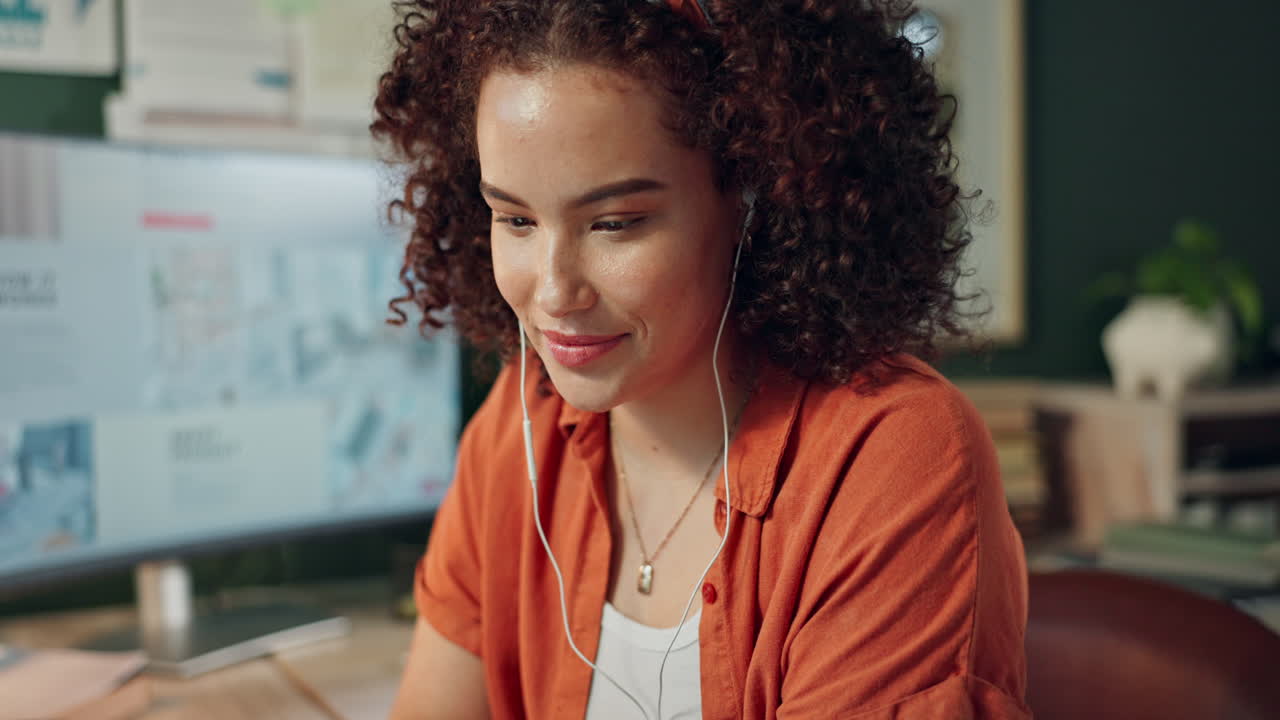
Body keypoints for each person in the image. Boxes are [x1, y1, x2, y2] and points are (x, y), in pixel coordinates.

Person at [374, 1, 1030, 717]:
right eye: (517, 219)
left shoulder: (892, 460)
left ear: (757, 198)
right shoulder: (520, 425)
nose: (555, 291)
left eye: (615, 224)